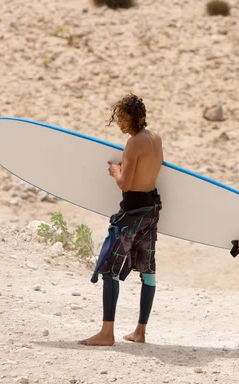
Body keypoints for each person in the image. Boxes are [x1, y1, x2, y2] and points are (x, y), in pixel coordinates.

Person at [78, 94, 163, 346]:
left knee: (110, 270)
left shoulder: (134, 143)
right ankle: (140, 331)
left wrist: (116, 171)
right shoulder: (155, 138)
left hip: (131, 214)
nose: (119, 123)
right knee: (147, 271)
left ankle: (106, 334)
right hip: (151, 210)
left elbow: (125, 184)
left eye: (122, 118)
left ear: (134, 117)